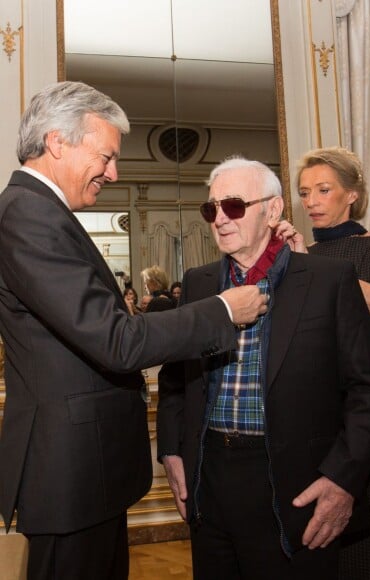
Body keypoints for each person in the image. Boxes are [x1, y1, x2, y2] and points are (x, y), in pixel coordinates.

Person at [0, 81, 267, 580]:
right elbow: (116, 341)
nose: (113, 172)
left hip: (85, 469)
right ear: (58, 142)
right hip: (69, 473)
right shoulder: (30, 215)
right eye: (105, 156)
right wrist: (222, 311)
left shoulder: (43, 214)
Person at [156, 156, 370, 580]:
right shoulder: (199, 282)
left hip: (296, 482)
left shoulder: (329, 279)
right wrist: (171, 450)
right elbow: (176, 377)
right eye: (212, 209)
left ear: (274, 210)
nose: (220, 220)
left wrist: (343, 480)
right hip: (210, 478)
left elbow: (368, 390)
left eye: (234, 206)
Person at [294, 146, 370, 579]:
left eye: (323, 190)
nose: (311, 201)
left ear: (352, 195)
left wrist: (311, 268)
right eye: (305, 193)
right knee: (317, 539)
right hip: (313, 408)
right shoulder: (298, 255)